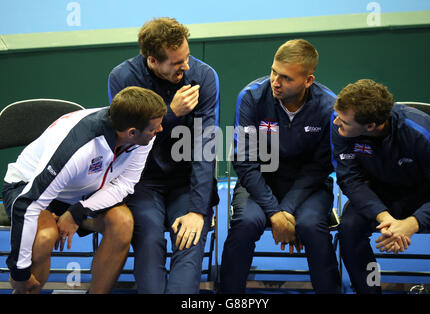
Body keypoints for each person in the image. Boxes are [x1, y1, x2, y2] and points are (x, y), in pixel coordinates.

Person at [2, 86, 166, 294]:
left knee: (122, 223)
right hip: (28, 189)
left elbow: (125, 184)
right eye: (154, 128)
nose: (159, 130)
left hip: (80, 194)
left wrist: (78, 211)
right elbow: (27, 206)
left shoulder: (142, 134)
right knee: (45, 237)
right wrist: (19, 271)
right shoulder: (78, 149)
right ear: (132, 132)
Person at [107, 17, 220, 293]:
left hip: (187, 180)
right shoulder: (123, 79)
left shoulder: (204, 77)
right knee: (149, 239)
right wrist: (170, 114)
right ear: (153, 61)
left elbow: (207, 146)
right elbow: (128, 139)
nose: (187, 66)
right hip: (142, 180)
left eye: (187, 57)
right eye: (177, 62)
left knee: (190, 237)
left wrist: (197, 209)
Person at [220, 39, 341, 294]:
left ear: (308, 80)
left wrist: (285, 210)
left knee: (310, 226)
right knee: (245, 224)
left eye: (286, 78)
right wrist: (277, 214)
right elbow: (244, 162)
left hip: (309, 187)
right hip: (259, 182)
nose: (276, 81)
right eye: (274, 71)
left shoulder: (329, 107)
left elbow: (319, 168)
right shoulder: (251, 97)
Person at [332, 79, 430, 293]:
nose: (336, 123)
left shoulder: (418, 132)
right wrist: (385, 218)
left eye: (344, 121)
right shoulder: (341, 126)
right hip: (377, 194)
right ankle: (370, 290)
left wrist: (412, 224)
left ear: (370, 126)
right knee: (349, 229)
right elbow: (350, 180)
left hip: (424, 194)